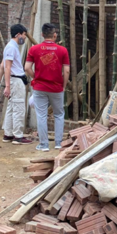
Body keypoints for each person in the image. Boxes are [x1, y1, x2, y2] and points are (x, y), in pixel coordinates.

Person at [25, 23, 70, 152]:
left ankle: (44, 144)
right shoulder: (62, 50)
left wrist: (36, 78)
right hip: (57, 88)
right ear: (54, 35)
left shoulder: (34, 49)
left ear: (42, 35)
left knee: (41, 115)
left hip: (40, 88)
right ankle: (58, 143)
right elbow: (66, 71)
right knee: (59, 114)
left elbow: (27, 68)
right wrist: (64, 85)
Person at [0, 24, 32, 145]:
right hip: (16, 80)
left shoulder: (10, 47)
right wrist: (6, 86)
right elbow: (7, 67)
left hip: (14, 80)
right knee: (18, 108)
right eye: (24, 35)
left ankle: (8, 134)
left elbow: (2, 66)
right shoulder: (12, 48)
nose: (25, 37)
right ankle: (18, 136)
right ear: (18, 35)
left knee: (11, 107)